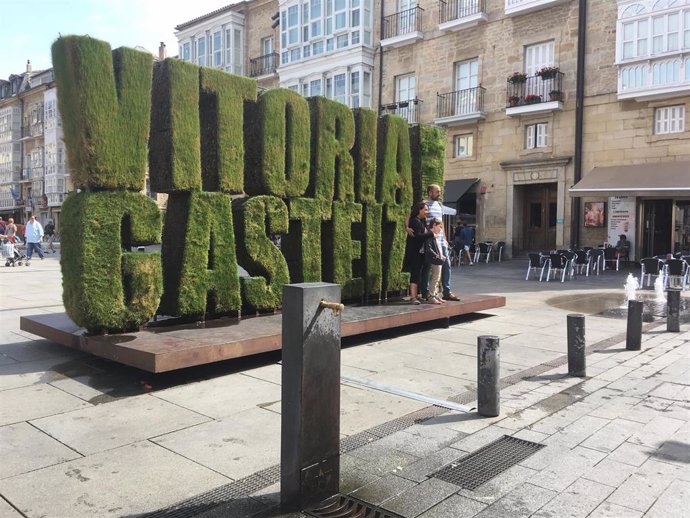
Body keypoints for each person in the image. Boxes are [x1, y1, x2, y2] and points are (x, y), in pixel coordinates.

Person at [420, 184, 460, 301]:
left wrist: (445, 238)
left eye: (440, 191)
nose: (439, 193)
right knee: (428, 267)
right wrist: (407, 227)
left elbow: (441, 223)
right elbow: (415, 217)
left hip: (441, 241)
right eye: (437, 192)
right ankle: (426, 292)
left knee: (446, 264)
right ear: (430, 192)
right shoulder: (424, 204)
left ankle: (446, 291)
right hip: (430, 240)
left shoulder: (439, 205)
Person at [404, 201, 432, 305]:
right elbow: (418, 237)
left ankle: (417, 295)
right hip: (415, 252)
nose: (427, 212)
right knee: (415, 274)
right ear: (419, 210)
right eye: (425, 210)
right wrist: (431, 234)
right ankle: (413, 297)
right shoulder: (415, 221)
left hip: (420, 252)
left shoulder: (421, 221)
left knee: (419, 273)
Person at [424, 218, 446, 305]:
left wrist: (441, 256)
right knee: (435, 278)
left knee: (437, 279)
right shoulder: (430, 235)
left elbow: (437, 248)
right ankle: (431, 296)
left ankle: (435, 294)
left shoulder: (435, 235)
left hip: (437, 260)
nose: (441, 229)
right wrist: (437, 256)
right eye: (439, 227)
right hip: (434, 261)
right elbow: (428, 248)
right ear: (434, 225)